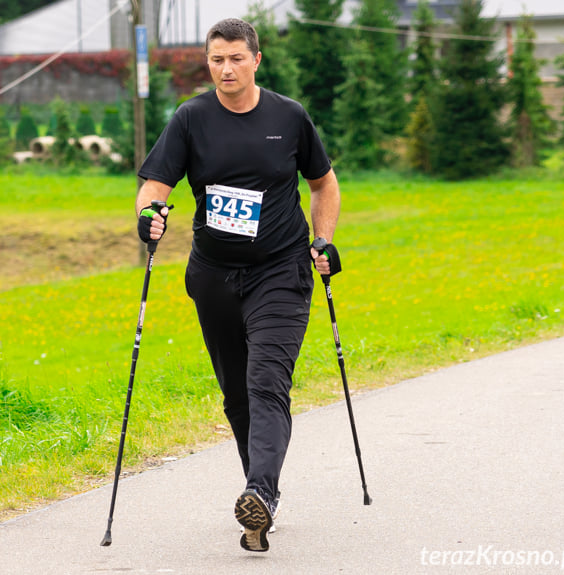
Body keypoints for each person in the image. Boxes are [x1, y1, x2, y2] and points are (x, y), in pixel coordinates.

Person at [135, 18, 341, 553]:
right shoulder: (191, 118)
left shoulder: (288, 117)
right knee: (236, 395)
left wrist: (323, 241)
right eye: (216, 59)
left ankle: (260, 491)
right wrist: (150, 214)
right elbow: (155, 184)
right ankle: (262, 494)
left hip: (281, 269)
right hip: (213, 275)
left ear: (256, 59)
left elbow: (323, 184)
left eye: (235, 58)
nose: (225, 69)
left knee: (267, 381)